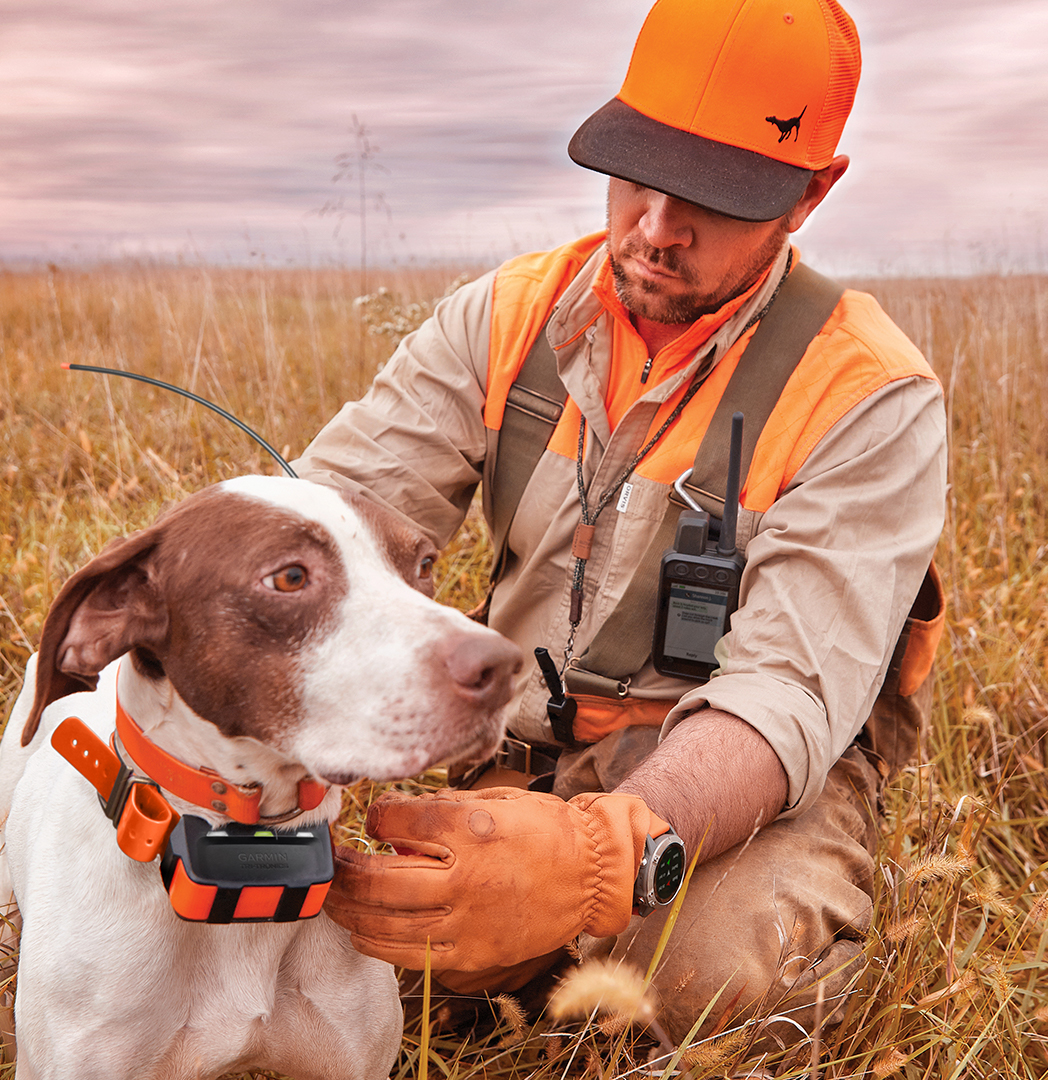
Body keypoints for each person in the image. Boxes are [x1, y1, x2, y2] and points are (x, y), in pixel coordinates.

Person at [294, 0, 947, 1054]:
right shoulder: (504, 317)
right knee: (333, 927)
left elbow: (786, 693)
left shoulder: (867, 394)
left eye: (716, 197)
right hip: (519, 740)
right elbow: (327, 526)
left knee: (717, 988)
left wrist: (599, 859)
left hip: (734, 779)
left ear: (811, 195)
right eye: (639, 170)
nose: (654, 227)